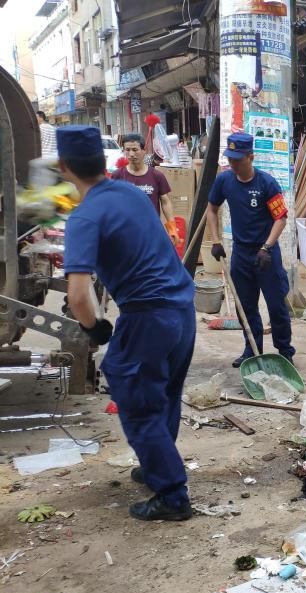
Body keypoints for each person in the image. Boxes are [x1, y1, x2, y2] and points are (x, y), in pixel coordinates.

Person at [58, 125, 195, 521]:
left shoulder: (84, 217)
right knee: (164, 393)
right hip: (182, 310)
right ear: (105, 161)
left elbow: (78, 296)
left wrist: (94, 328)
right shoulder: (132, 195)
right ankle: (158, 465)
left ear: (65, 167)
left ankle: (172, 495)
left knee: (134, 398)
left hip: (148, 315)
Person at [207, 132, 294, 367]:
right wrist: (216, 241)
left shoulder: (266, 183)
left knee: (276, 305)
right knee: (245, 307)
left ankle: (285, 351)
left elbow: (281, 218)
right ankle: (252, 350)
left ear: (251, 157)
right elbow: (212, 209)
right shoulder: (224, 181)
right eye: (230, 158)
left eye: (238, 159)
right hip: (241, 254)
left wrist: (267, 247)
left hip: (266, 254)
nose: (233, 163)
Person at [110, 133, 180, 246]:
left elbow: (165, 202)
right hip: (125, 232)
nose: (131, 154)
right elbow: (111, 204)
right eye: (127, 150)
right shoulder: (117, 176)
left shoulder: (157, 176)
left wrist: (172, 229)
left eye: (135, 149)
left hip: (151, 232)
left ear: (144, 150)